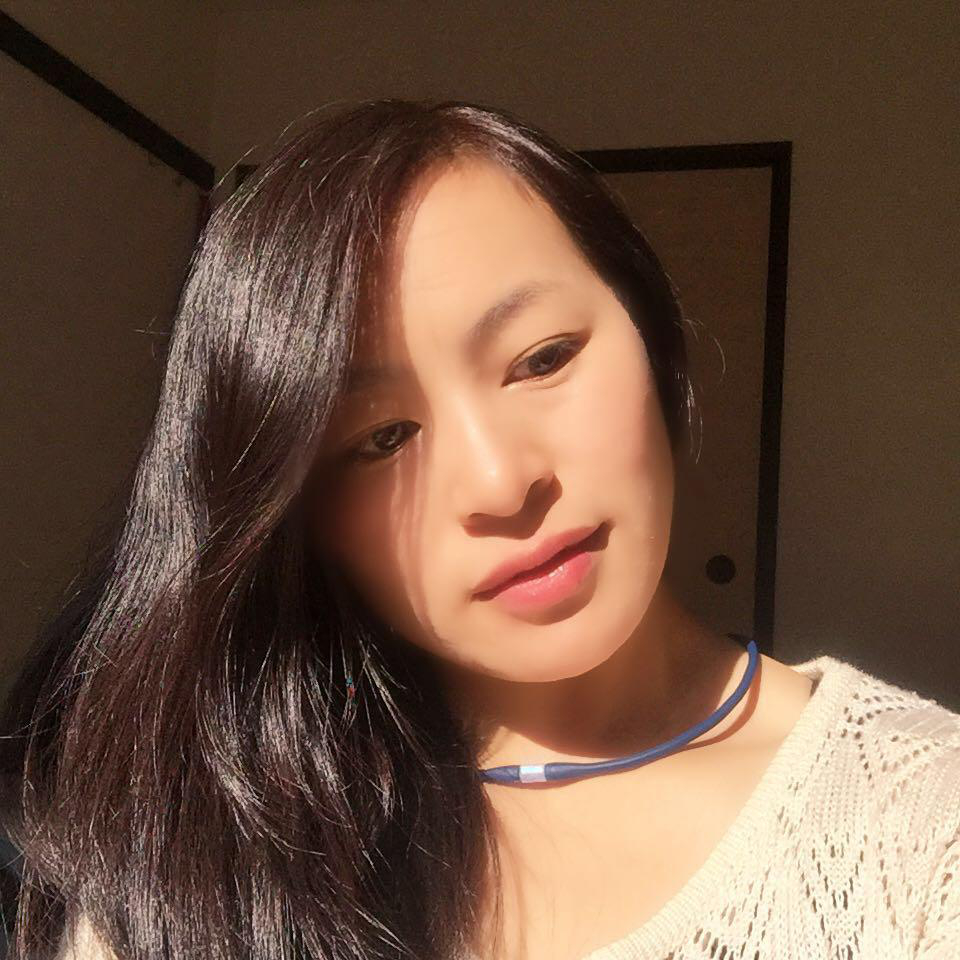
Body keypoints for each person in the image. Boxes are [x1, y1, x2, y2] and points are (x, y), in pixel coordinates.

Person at [1, 98, 958, 960]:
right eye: (381, 438)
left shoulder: (917, 819)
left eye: (542, 359)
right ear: (297, 515)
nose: (501, 484)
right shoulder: (199, 855)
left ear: (653, 335)